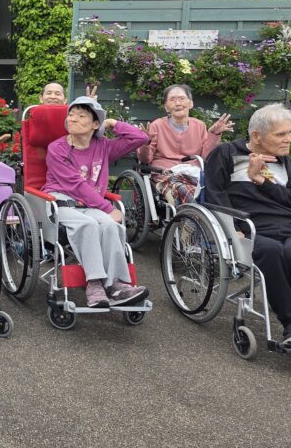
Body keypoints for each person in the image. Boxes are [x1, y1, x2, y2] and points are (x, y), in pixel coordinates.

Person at [204, 103, 291, 349]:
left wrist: (261, 180)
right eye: (281, 134)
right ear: (256, 135)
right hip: (250, 229)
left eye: (289, 132)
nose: (288, 139)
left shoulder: (288, 165)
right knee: (271, 251)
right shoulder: (226, 154)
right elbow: (215, 194)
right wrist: (232, 227)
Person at [43, 97, 150, 308]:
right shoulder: (57, 148)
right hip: (61, 202)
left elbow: (140, 137)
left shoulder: (103, 146)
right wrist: (108, 208)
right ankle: (94, 284)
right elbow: (75, 185)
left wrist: (111, 123)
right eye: (71, 114)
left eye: (81, 116)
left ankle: (117, 284)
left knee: (111, 226)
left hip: (91, 205)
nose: (73, 119)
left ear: (95, 124)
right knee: (89, 225)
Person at [137, 84, 232, 206]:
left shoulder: (199, 125)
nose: (177, 103)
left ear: (190, 103)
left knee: (217, 189)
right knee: (184, 190)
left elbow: (206, 157)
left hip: (193, 174)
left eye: (181, 98)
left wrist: (214, 134)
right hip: (166, 174)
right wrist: (145, 143)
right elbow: (145, 159)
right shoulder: (157, 125)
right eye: (172, 99)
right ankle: (193, 216)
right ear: (166, 107)